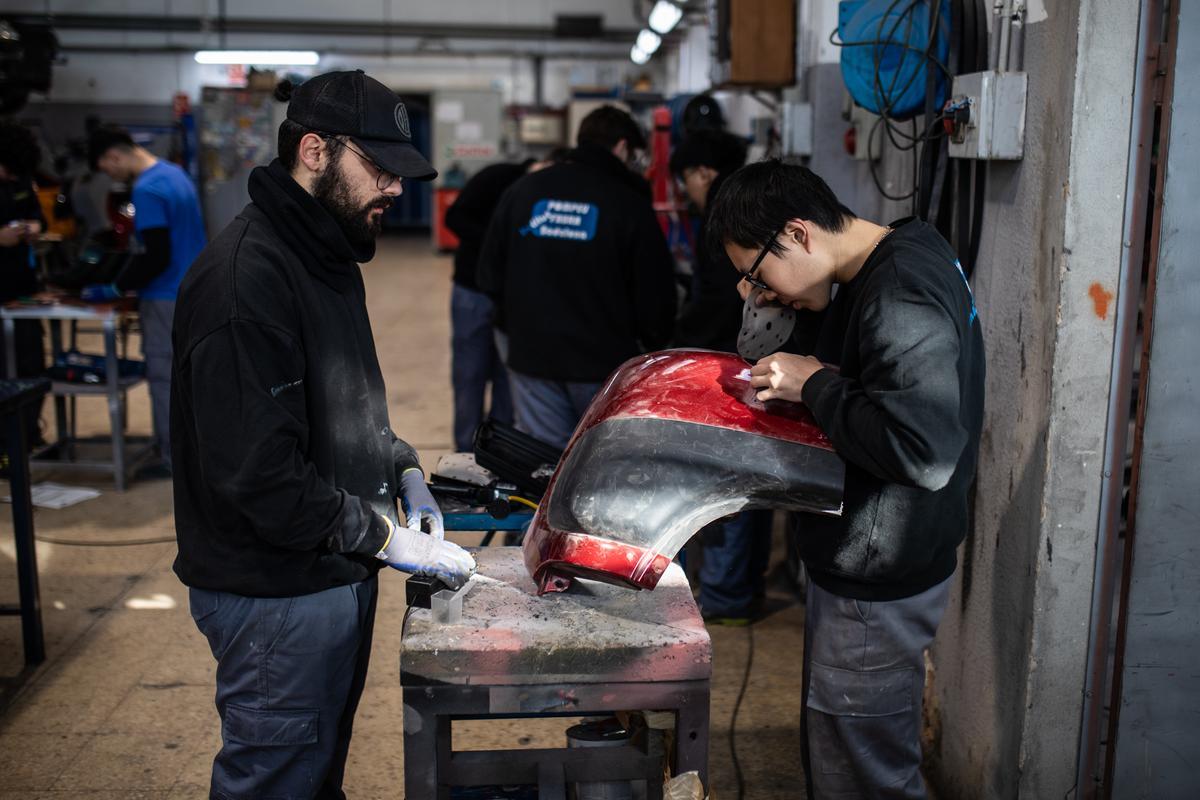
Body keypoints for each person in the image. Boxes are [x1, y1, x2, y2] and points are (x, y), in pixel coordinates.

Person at [171, 70, 476, 798]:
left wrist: (400, 468)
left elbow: (345, 399)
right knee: (278, 779)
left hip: (332, 564)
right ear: (314, 150)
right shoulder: (247, 280)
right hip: (276, 590)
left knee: (314, 774)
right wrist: (386, 538)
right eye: (380, 169)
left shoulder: (326, 254)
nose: (396, 189)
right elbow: (259, 476)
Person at [707, 160, 985, 799]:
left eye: (757, 273)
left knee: (863, 776)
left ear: (799, 234)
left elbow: (923, 450)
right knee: (852, 755)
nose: (758, 290)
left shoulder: (901, 292)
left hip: (877, 578)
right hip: (874, 564)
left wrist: (815, 383)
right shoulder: (898, 251)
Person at [477, 107, 677, 448]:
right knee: (601, 462)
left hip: (533, 360)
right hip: (603, 366)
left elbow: (487, 276)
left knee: (543, 466)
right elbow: (655, 298)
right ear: (622, 147)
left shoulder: (524, 190)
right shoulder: (628, 203)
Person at [667, 129, 771, 625]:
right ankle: (737, 592)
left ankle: (727, 596)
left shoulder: (724, 215)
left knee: (727, 484)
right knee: (749, 483)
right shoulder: (752, 200)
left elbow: (714, 299)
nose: (687, 190)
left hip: (732, 359)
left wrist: (676, 347)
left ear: (704, 172)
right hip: (758, 355)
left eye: (687, 178)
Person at [86, 125, 207, 475]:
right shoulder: (175, 174)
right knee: (189, 376)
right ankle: (194, 450)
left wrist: (116, 287)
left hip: (164, 295)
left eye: (108, 168)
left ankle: (171, 458)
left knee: (163, 376)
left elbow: (155, 255)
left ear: (114, 156)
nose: (111, 174)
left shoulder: (147, 189)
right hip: (193, 288)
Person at [443, 158, 530, 452]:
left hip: (513, 299)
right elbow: (454, 218)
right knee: (470, 375)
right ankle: (465, 458)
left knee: (509, 379)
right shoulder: (498, 176)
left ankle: (498, 453)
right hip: (473, 292)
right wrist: (496, 243)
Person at [0, 120, 47, 458]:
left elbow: (38, 216)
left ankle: (28, 435)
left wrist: (33, 227)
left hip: (22, 289)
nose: (11, 178)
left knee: (31, 365)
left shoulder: (22, 179)